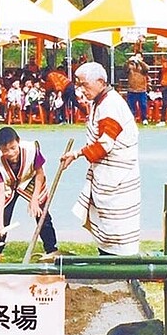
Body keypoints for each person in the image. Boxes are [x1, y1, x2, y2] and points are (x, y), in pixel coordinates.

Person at [61, 62, 140, 256]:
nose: (81, 90)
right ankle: (107, 257)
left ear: (100, 82)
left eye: (84, 85)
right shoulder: (100, 101)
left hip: (118, 176)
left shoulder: (110, 104)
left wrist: (78, 154)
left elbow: (105, 144)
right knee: (104, 223)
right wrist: (76, 153)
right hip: (106, 174)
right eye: (78, 84)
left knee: (118, 227)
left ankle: (120, 267)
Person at [0, 127, 59, 264]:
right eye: (5, 150)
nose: (10, 153)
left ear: (18, 141)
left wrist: (35, 199)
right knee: (2, 219)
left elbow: (39, 173)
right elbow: (0, 192)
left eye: (13, 148)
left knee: (42, 214)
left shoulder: (32, 150)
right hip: (9, 184)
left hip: (30, 180)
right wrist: (0, 222)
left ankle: (51, 249)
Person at [123, 52, 149, 125]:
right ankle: (131, 120)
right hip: (132, 90)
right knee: (131, 106)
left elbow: (147, 69)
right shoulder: (130, 66)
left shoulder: (143, 67)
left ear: (142, 58)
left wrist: (140, 62)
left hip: (141, 90)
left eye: (139, 57)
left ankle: (144, 119)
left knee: (143, 105)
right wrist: (128, 61)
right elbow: (125, 69)